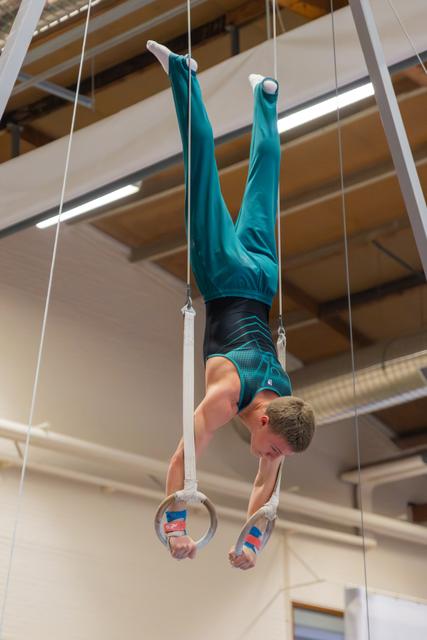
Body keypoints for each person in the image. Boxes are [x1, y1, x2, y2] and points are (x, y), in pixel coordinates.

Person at [147, 41, 315, 571]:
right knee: (201, 171)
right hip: (224, 277)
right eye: (273, 450)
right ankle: (183, 73)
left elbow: (267, 492)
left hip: (265, 281)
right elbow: (180, 461)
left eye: (278, 457)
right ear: (263, 419)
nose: (270, 461)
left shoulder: (284, 405)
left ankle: (266, 97)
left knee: (264, 185)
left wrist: (248, 544)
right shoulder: (227, 398)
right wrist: (175, 529)